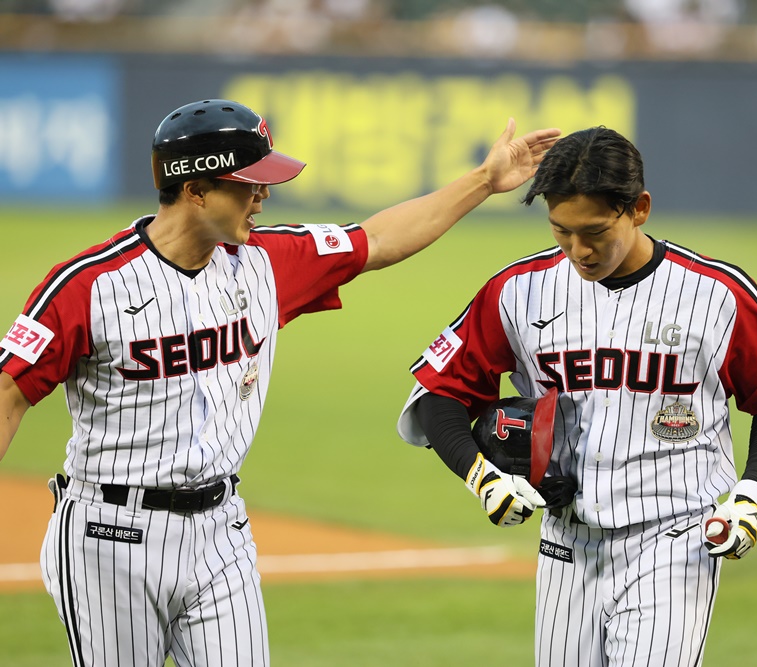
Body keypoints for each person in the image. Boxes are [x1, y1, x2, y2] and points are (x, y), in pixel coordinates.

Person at [0, 98, 559, 667]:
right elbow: (8, 394)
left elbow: (378, 239)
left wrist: (484, 182)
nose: (263, 195)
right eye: (248, 183)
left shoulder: (267, 262)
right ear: (194, 189)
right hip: (108, 537)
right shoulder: (89, 285)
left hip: (222, 533)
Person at [396, 126, 757, 666]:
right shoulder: (518, 290)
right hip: (564, 541)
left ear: (638, 208)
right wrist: (482, 476)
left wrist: (750, 494)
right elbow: (440, 392)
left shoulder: (717, 294)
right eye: (561, 231)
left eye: (594, 231)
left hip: (677, 539)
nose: (578, 250)